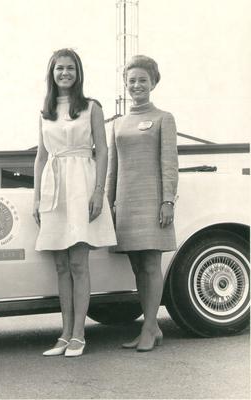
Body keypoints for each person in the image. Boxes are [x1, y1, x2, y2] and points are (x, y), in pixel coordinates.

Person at [33, 49, 117, 357]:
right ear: (52, 73)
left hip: (82, 183)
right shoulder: (46, 110)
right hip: (53, 187)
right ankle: (65, 334)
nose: (64, 73)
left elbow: (103, 151)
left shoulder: (92, 107)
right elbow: (41, 156)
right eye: (59, 69)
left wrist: (99, 192)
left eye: (70, 68)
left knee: (79, 263)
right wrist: (36, 196)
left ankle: (80, 334)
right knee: (60, 265)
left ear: (78, 73)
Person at [106, 55, 178, 352]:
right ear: (125, 84)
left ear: (153, 83)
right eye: (132, 80)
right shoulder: (118, 124)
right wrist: (108, 205)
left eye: (142, 80)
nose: (137, 85)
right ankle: (153, 326)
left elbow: (169, 163)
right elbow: (113, 168)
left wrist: (167, 201)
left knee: (151, 264)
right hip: (125, 203)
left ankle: (148, 328)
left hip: (152, 202)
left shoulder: (164, 118)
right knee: (137, 267)